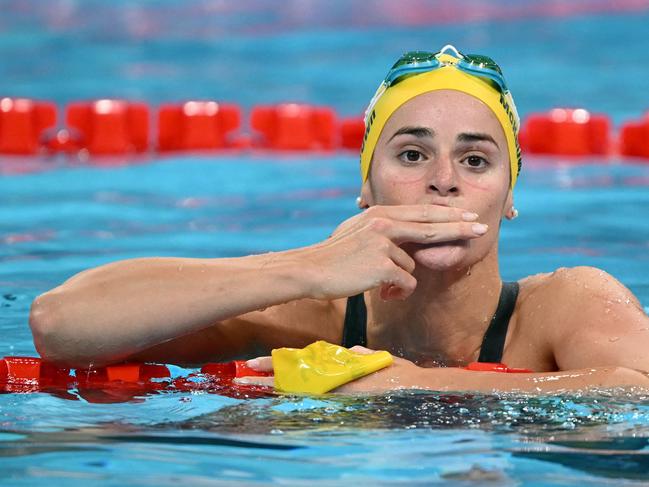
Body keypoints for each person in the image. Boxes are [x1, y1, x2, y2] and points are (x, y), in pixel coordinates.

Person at [29, 45, 649, 393]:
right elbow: (60, 324)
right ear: (366, 186)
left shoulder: (565, 304)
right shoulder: (308, 314)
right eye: (411, 153)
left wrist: (414, 386)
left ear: (510, 195)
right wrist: (305, 267)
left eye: (476, 159)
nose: (443, 179)